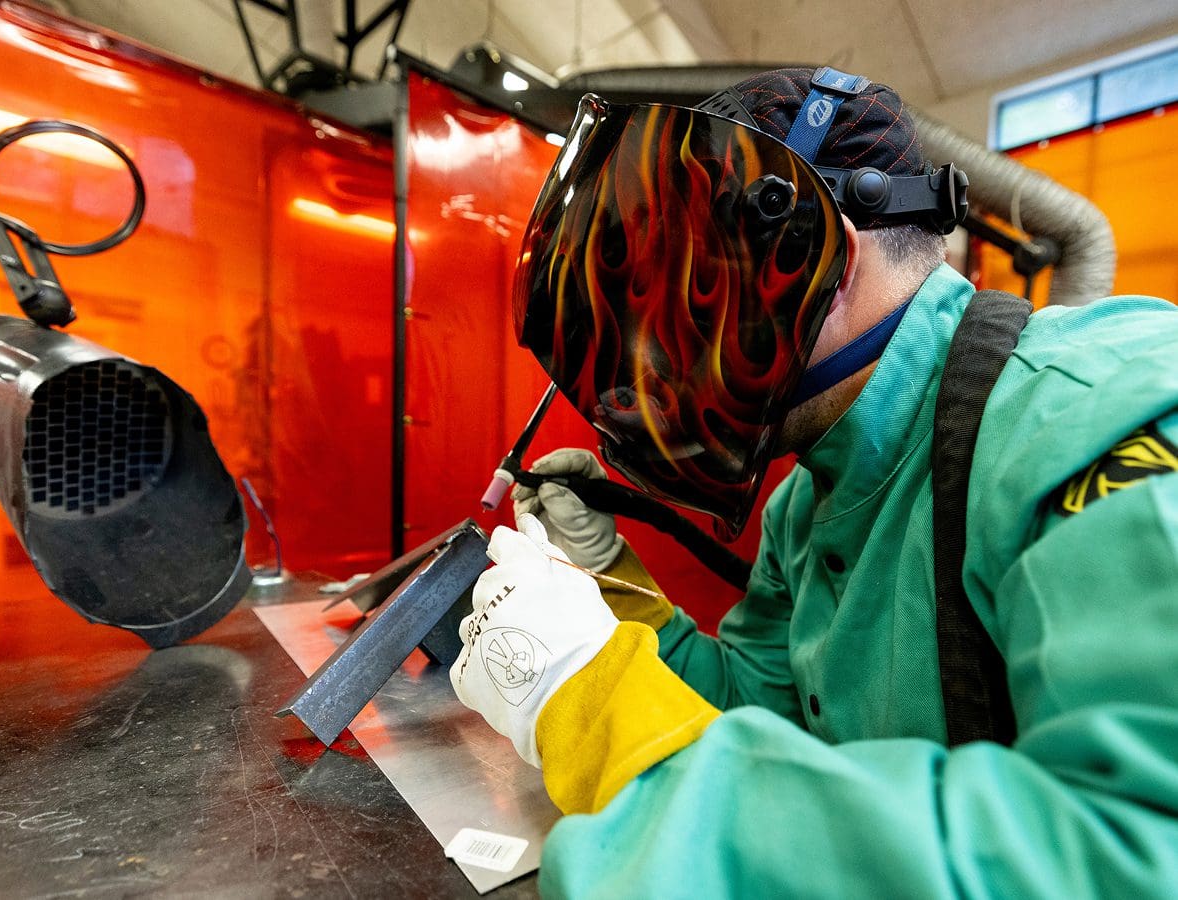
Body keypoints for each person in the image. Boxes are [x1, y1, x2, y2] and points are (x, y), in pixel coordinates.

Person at [450, 66, 1178, 896]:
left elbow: (1133, 854)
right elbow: (753, 715)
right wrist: (602, 592)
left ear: (805, 254)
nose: (660, 350)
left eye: (696, 279)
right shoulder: (807, 503)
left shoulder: (1105, 411)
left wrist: (597, 713)